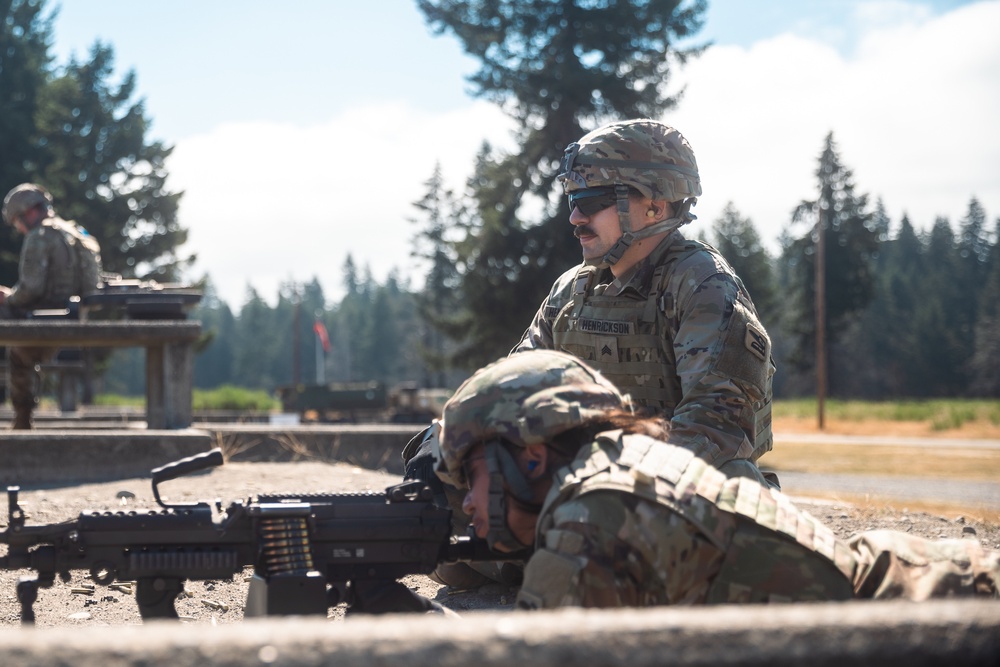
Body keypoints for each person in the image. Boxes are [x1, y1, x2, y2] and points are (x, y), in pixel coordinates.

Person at [435, 350, 999, 609]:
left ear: (531, 458)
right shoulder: (615, 468)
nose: (468, 505)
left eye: (474, 479)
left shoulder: (592, 520)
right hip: (921, 591)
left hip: (936, 616)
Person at [513, 119, 775, 487]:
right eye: (573, 200)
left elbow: (715, 424)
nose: (575, 218)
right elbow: (514, 387)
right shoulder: (571, 290)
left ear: (655, 207)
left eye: (591, 201)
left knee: (732, 478)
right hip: (580, 485)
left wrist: (614, 482)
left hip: (667, 494)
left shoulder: (702, 285)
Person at [1, 183, 102, 429]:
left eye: (17, 222)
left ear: (29, 213)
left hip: (45, 321)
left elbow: (30, 290)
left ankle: (23, 418)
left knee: (17, 352)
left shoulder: (40, 236)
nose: (20, 228)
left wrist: (7, 298)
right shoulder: (77, 233)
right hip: (75, 321)